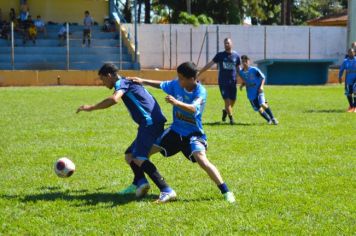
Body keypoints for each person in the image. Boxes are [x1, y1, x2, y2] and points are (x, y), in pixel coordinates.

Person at [128, 62, 236, 203]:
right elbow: (162, 84)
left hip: (193, 135)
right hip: (174, 132)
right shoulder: (177, 85)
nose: (178, 81)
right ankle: (143, 183)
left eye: (181, 78)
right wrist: (143, 81)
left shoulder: (200, 92)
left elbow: (193, 108)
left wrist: (176, 103)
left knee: (201, 159)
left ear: (191, 79)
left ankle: (226, 191)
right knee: (140, 154)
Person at [76, 63, 177, 203]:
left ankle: (166, 190)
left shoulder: (121, 83)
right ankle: (140, 182)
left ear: (109, 76)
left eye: (103, 79)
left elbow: (114, 99)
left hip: (149, 123)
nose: (103, 83)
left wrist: (91, 107)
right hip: (152, 122)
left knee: (139, 157)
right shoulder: (128, 81)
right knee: (130, 155)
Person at [198, 38, 240, 125]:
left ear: (232, 44)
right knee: (227, 101)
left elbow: (238, 69)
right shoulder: (220, 55)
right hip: (223, 82)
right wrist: (199, 72)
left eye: (228, 43)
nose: (226, 45)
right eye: (225, 43)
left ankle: (225, 111)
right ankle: (231, 119)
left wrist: (245, 79)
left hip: (233, 82)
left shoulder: (236, 56)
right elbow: (210, 64)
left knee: (233, 100)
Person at [239, 55, 278, 124]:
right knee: (259, 109)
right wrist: (242, 85)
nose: (244, 63)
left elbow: (263, 77)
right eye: (243, 61)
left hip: (258, 91)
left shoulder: (254, 70)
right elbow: (245, 80)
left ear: (249, 61)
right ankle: (269, 120)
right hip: (251, 94)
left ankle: (273, 118)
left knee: (262, 104)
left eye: (246, 61)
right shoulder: (241, 72)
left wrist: (261, 87)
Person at [339, 48, 356, 112]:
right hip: (349, 78)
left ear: (354, 53)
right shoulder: (345, 61)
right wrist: (340, 77)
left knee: (355, 90)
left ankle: (355, 107)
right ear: (348, 53)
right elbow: (341, 70)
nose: (350, 53)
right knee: (349, 93)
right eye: (349, 52)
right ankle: (351, 106)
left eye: (352, 52)